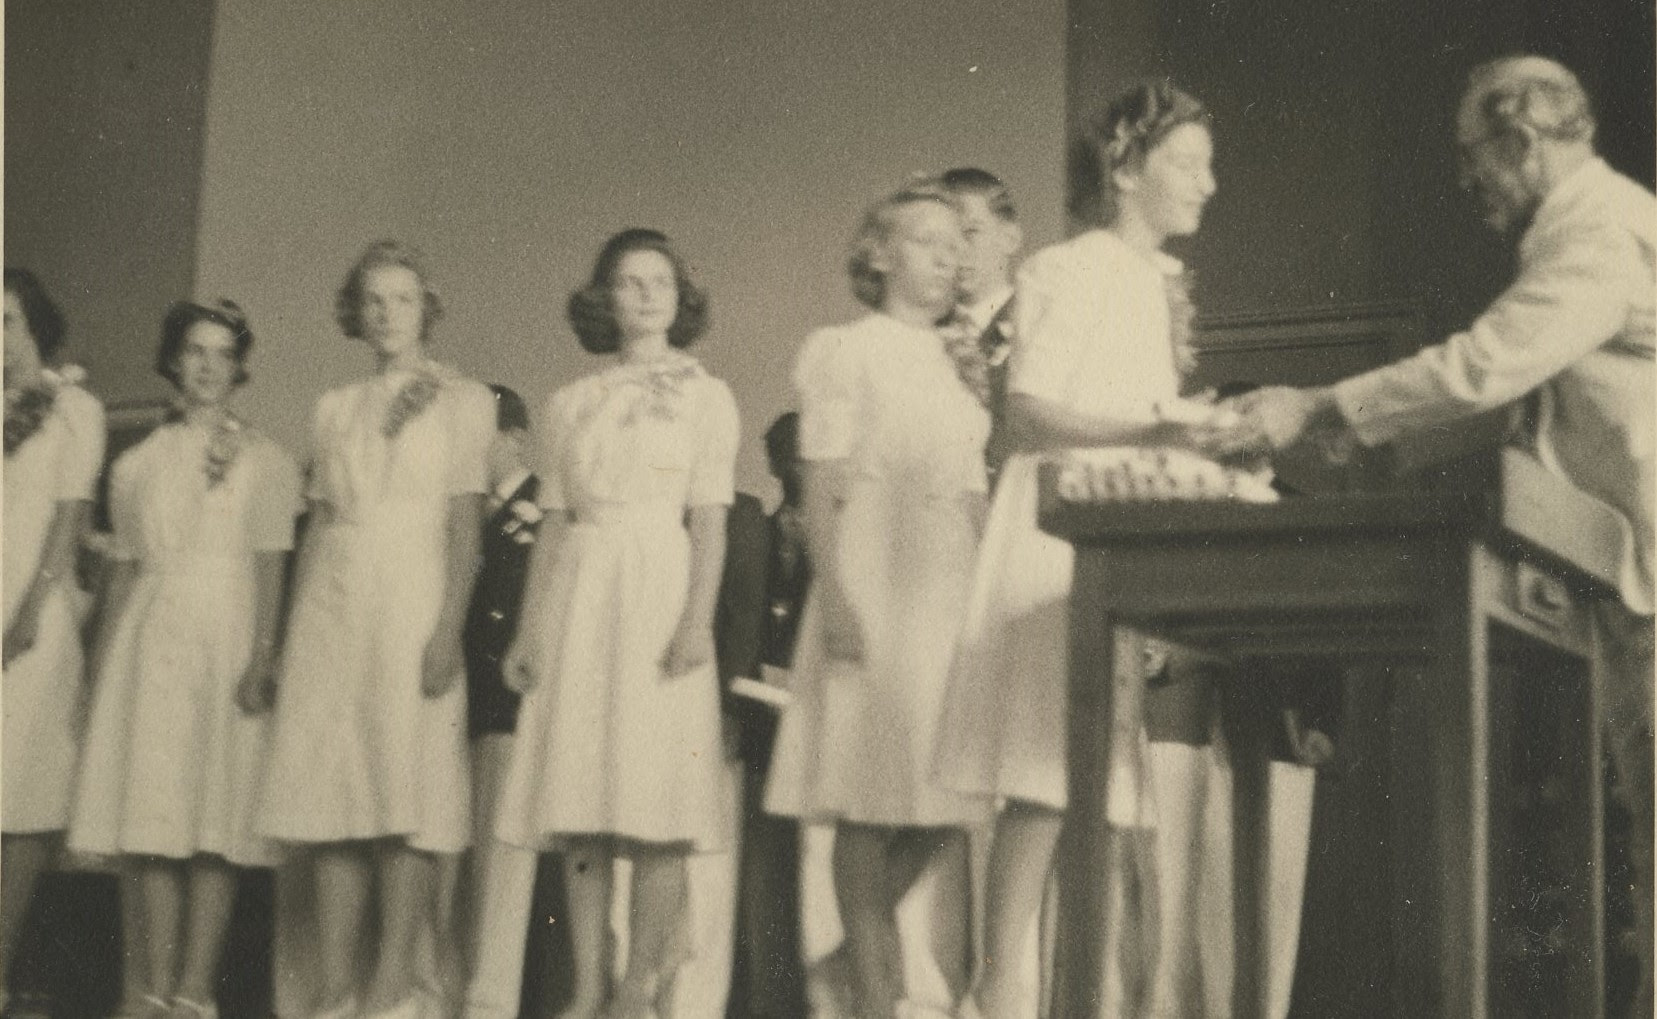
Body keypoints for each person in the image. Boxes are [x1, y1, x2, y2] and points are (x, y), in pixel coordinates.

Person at [1233, 55, 1654, 1018]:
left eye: (1473, 156)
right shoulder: (1590, 225)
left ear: (1522, 139)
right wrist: (1350, 432)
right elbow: (1522, 395)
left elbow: (1489, 365)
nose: (1466, 180)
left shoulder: (1595, 228)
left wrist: (1320, 404)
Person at [930, 81, 1256, 1018]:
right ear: (1123, 167)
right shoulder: (1066, 269)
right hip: (1052, 536)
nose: (1207, 182)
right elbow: (1028, 410)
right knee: (1043, 785)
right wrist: (1160, 434)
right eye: (1185, 163)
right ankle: (997, 993)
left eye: (1207, 163)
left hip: (1116, 543)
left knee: (1103, 800)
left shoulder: (1154, 285)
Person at [495, 228, 738, 1019]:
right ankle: (589, 980)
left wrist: (697, 621)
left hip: (661, 589)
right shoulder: (572, 402)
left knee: (658, 808)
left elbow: (708, 521)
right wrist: (530, 633)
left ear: (678, 296)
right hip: (584, 599)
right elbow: (558, 526)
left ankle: (641, 986)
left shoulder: (707, 395)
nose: (642, 294)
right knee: (583, 803)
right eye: (627, 282)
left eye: (657, 281)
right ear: (604, 298)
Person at [764, 181, 993, 1019]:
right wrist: (838, 596)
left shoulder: (956, 360)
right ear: (880, 253)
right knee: (866, 794)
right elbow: (819, 483)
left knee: (950, 796)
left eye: (953, 244)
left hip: (948, 578)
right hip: (873, 567)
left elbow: (972, 489)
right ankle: (872, 990)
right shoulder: (844, 348)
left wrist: (991, 592)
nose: (946, 257)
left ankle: (844, 956)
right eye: (927, 240)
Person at [259, 240, 494, 1019]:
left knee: (406, 794)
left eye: (402, 298)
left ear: (426, 307)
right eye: (374, 300)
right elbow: (320, 527)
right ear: (355, 314)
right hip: (335, 605)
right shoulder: (333, 407)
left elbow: (465, 527)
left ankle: (393, 981)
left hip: (415, 595)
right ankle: (334, 983)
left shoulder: (466, 402)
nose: (388, 313)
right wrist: (294, 639)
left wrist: (447, 629)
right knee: (334, 797)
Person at [69, 299, 299, 1019]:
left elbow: (270, 566)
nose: (208, 366)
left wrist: (262, 655)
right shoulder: (135, 463)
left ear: (239, 367)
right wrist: (98, 672)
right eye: (195, 351)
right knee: (153, 820)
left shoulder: (267, 460)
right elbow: (126, 572)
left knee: (212, 824)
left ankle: (196, 989)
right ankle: (152, 987)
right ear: (175, 360)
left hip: (226, 632)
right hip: (150, 633)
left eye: (222, 353)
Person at [1, 268, 106, 1015]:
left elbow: (69, 516)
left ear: (35, 322)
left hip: (30, 605)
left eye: (7, 319)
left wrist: (33, 605)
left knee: (24, 792)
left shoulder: (74, 408)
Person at [462, 383, 567, 1019]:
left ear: (514, 436)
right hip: (465, 703)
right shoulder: (471, 512)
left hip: (507, 706)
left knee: (501, 865)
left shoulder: (536, 513)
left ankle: (490, 1001)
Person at [721, 412, 810, 1019]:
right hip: (764, 733)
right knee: (766, 884)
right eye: (786, 456)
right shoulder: (758, 531)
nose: (795, 467)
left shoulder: (842, 534)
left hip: (819, 731)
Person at [939, 168, 1023, 486]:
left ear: (1010, 237)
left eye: (971, 232)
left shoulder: (1037, 326)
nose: (957, 251)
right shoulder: (924, 337)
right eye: (945, 239)